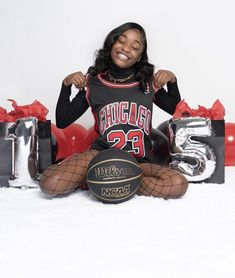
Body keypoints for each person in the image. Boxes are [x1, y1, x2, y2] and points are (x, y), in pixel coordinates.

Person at [39, 22, 188, 199]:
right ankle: (107, 178)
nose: (126, 49)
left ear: (140, 56)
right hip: (99, 157)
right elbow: (63, 120)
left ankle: (112, 181)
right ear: (111, 43)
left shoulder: (147, 82)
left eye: (135, 47)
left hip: (137, 162)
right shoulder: (93, 82)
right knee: (50, 183)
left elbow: (178, 112)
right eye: (122, 41)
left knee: (178, 184)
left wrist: (172, 82)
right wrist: (66, 86)